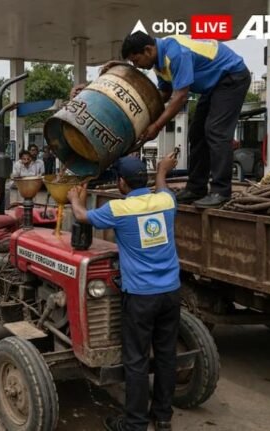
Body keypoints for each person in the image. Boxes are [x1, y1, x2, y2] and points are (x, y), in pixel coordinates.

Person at [68, 153, 180, 431]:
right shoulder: (166, 201)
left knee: (137, 360)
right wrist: (162, 171)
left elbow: (82, 217)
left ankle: (135, 424)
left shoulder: (119, 210)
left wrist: (74, 199)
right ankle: (163, 418)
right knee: (166, 355)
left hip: (141, 296)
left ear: (121, 183)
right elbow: (163, 186)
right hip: (171, 292)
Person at [105, 32, 250, 208]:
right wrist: (140, 115)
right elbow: (164, 94)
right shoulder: (158, 63)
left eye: (136, 61)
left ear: (148, 50)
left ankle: (221, 191)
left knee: (215, 131)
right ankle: (196, 188)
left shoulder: (176, 54)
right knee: (196, 133)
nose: (137, 66)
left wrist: (156, 126)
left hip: (231, 76)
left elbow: (180, 97)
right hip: (213, 85)